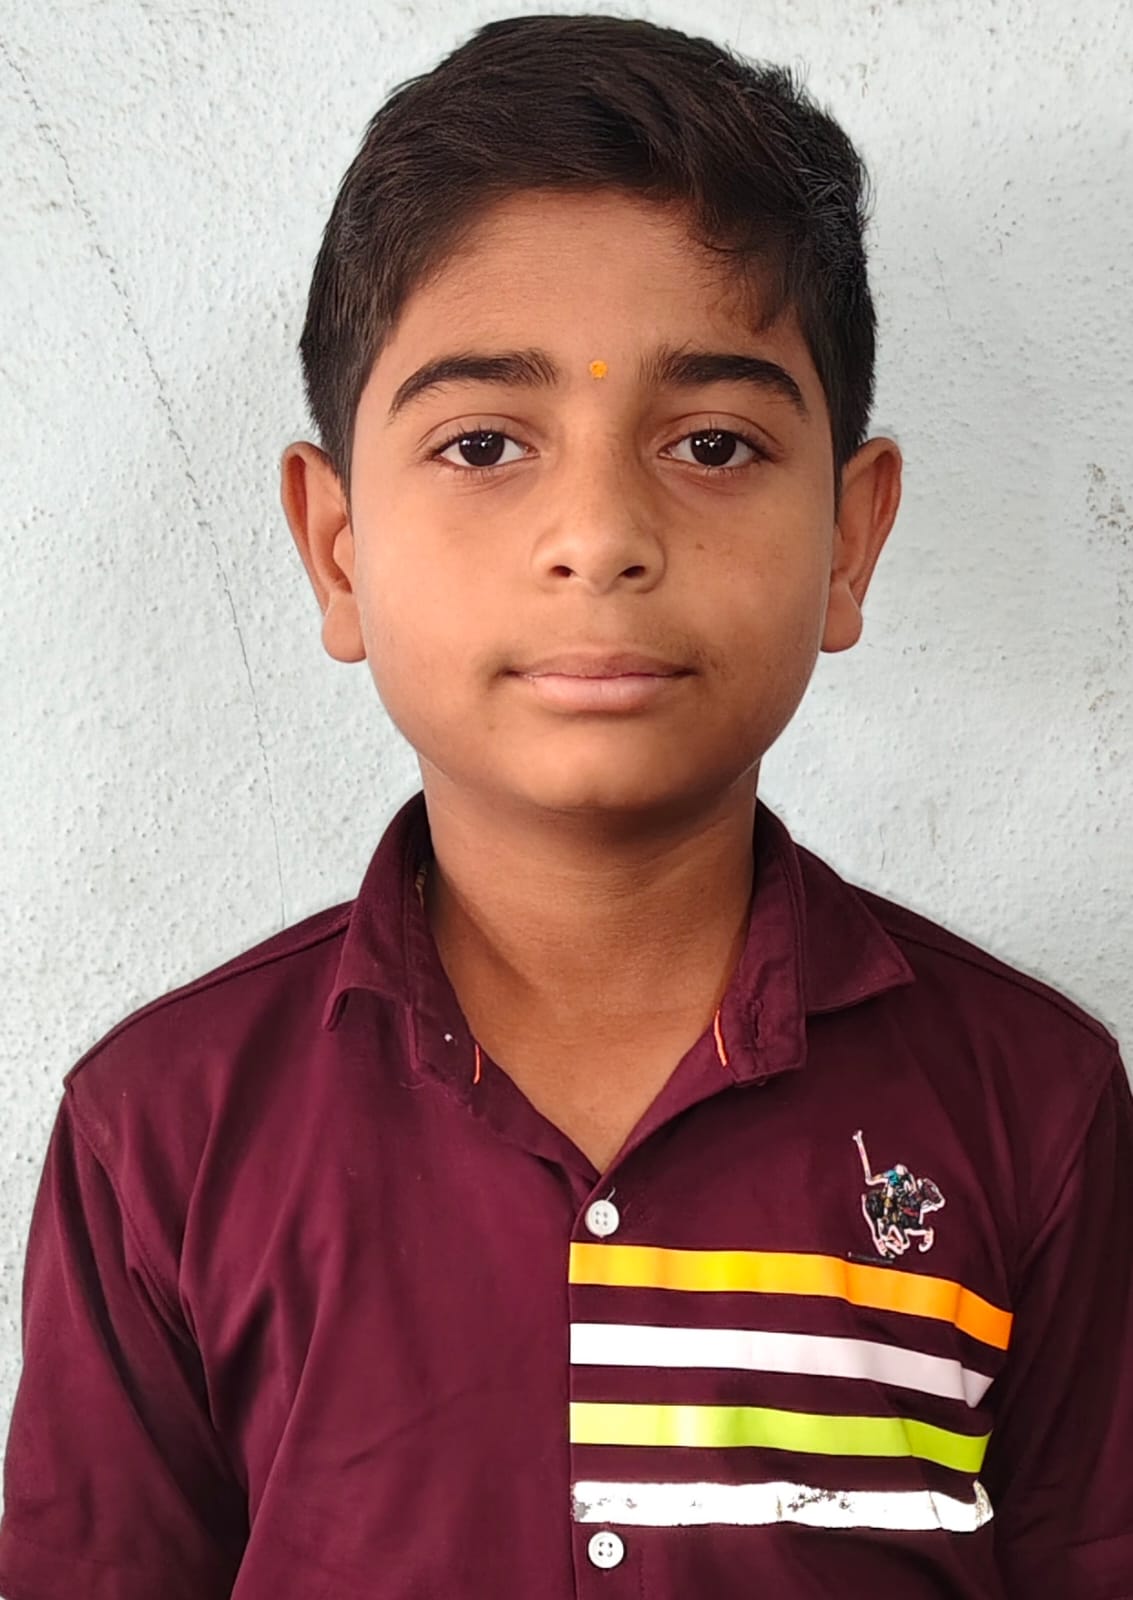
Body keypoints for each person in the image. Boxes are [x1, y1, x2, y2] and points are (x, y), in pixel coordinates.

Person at [1, 12, 1130, 1599]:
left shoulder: (1033, 1103)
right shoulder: (165, 1129)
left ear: (847, 541)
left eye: (712, 443)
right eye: (483, 443)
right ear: (336, 550)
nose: (597, 534)